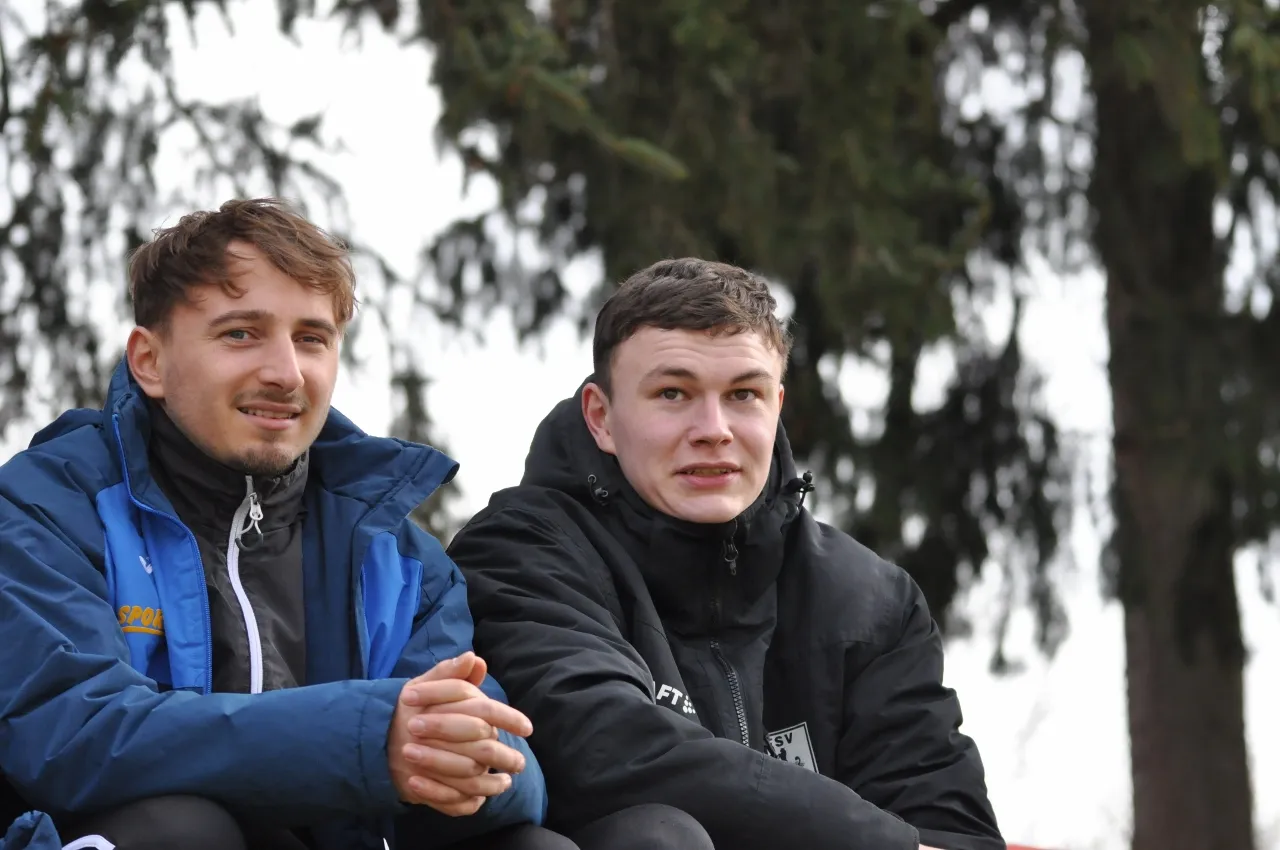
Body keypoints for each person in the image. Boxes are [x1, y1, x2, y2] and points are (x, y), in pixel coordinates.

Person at [0, 198, 556, 850]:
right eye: (241, 334)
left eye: (311, 339)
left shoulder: (398, 558)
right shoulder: (48, 506)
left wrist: (464, 754)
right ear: (148, 360)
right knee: (184, 833)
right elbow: (75, 734)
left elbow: (512, 762)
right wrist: (368, 738)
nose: (285, 374)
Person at [447, 258, 1008, 850]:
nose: (713, 429)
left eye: (744, 394)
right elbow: (604, 750)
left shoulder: (871, 601)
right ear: (601, 418)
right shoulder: (521, 553)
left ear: (777, 405)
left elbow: (950, 833)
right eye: (673, 393)